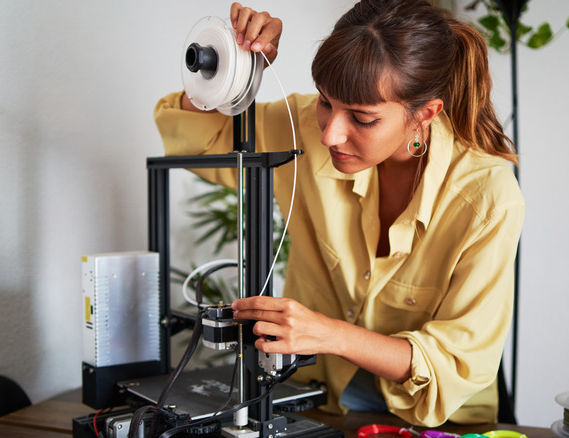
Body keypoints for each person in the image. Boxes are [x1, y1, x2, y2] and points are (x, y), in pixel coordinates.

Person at [154, 0, 524, 427]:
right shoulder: (304, 128)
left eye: (363, 119)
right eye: (326, 102)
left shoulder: (488, 197)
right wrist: (235, 66)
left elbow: (457, 364)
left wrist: (331, 334)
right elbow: (196, 143)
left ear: (425, 114)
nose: (330, 133)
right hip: (318, 402)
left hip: (437, 421)